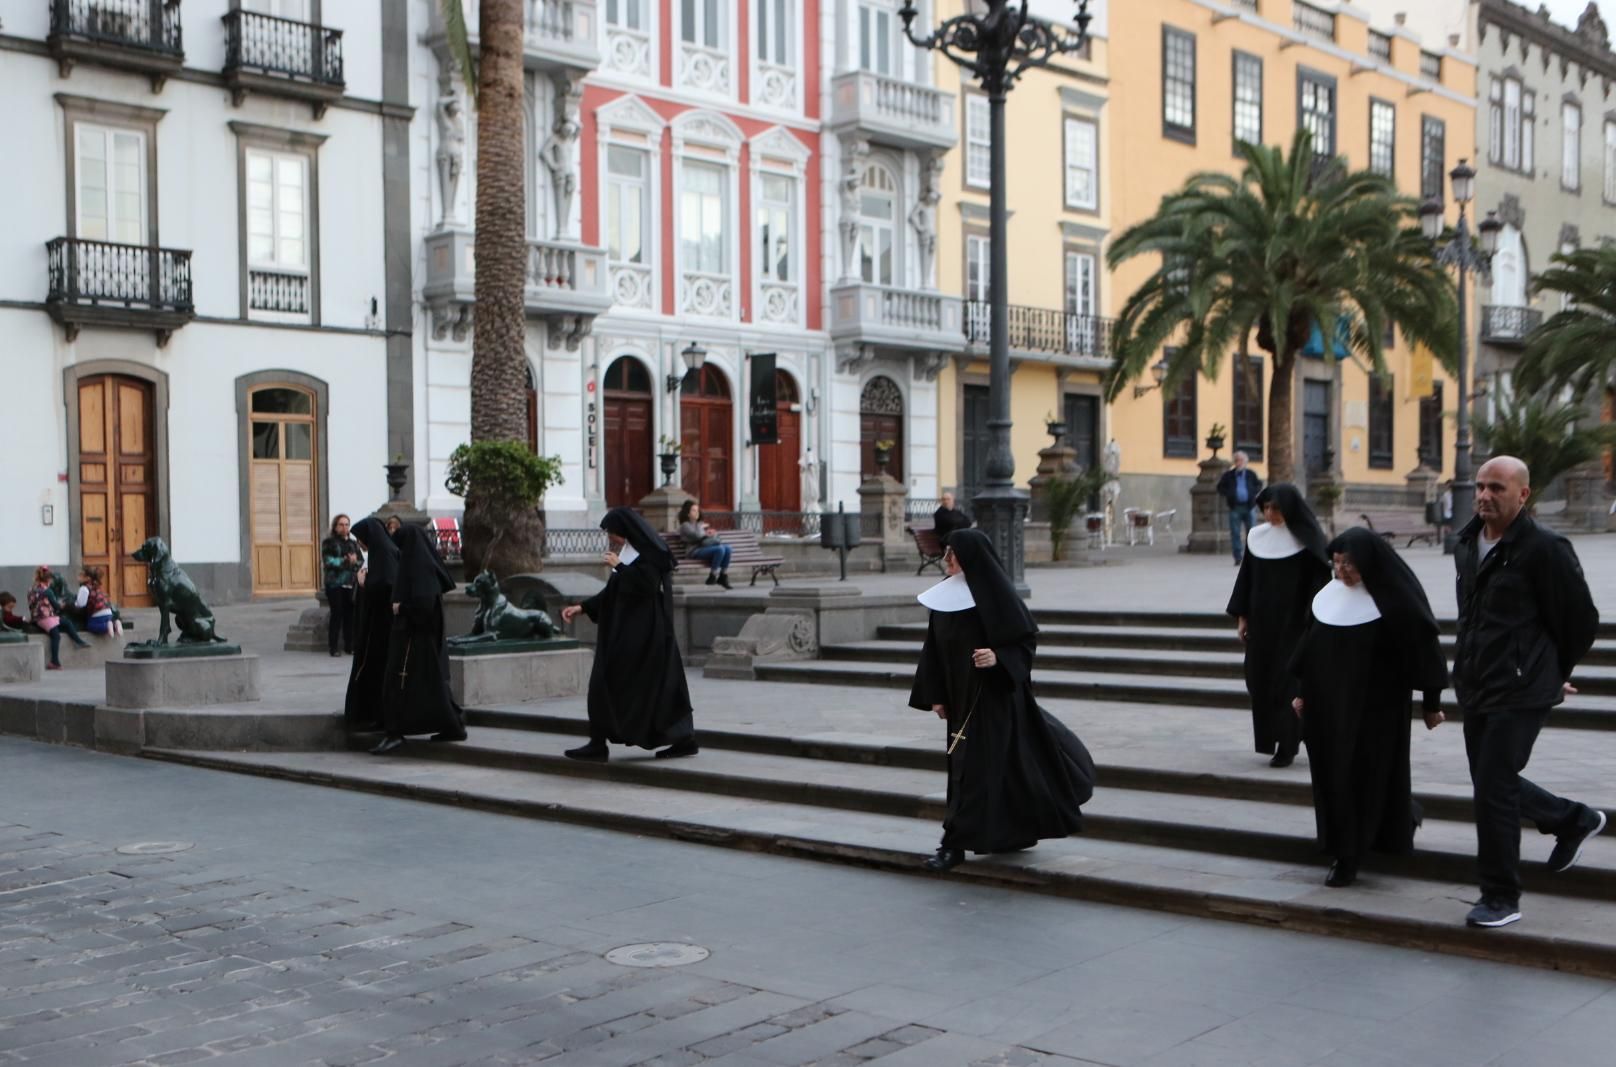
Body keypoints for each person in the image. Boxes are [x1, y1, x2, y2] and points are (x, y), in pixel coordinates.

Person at [1452, 456, 1604, 929]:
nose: (1484, 495)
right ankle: (1570, 819)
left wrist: (1553, 669)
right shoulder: (1466, 542)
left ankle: (1500, 896)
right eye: (1480, 486)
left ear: (1523, 495)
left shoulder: (1545, 549)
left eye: (1496, 487)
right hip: (1477, 682)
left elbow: (1581, 620)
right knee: (1490, 783)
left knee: (1493, 787)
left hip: (1521, 689)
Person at [908, 529, 1095, 871]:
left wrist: (998, 658)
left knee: (981, 772)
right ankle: (1005, 833)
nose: (947, 560)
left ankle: (953, 844)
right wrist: (935, 694)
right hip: (959, 702)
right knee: (970, 772)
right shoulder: (943, 598)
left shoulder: (997, 595)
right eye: (947, 554)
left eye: (954, 554)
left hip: (995, 702)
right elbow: (932, 649)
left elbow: (1024, 646)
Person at [1289, 528, 1448, 888]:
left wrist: (1431, 703)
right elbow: (1310, 649)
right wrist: (1302, 692)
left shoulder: (1396, 599)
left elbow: (1424, 651)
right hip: (1327, 704)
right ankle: (1358, 834)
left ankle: (1349, 856)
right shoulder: (1328, 597)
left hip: (1376, 707)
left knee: (1363, 774)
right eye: (1337, 562)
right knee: (1332, 775)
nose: (1342, 571)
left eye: (1350, 564)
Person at [560, 507, 696, 761]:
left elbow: (645, 585)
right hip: (625, 630)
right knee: (611, 683)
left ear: (625, 531)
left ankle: (682, 738)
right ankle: (598, 741)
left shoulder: (649, 552)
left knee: (642, 685)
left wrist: (620, 566)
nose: (611, 538)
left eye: (613, 533)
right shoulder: (628, 552)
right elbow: (614, 590)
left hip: (643, 634)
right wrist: (582, 607)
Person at [1226, 484, 1331, 768]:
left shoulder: (1307, 542)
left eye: (1276, 509)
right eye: (1266, 508)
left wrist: (1313, 623)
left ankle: (1287, 745)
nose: (1270, 514)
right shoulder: (1257, 538)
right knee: (1259, 681)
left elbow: (1320, 585)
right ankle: (1273, 737)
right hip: (1262, 625)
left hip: (1295, 625)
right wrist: (1242, 617)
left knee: (1288, 685)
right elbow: (1246, 580)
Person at [370, 523, 465, 754]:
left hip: (413, 641)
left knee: (395, 686)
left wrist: (400, 608)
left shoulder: (419, 567)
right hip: (418, 640)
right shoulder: (419, 563)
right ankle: (452, 725)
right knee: (433, 688)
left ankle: (395, 733)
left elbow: (423, 606)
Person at [345, 516, 400, 733]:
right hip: (375, 625)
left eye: (360, 538)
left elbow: (385, 587)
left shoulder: (385, 554)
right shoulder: (379, 553)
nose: (359, 543)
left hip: (381, 628)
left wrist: (363, 583)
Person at [28, 566, 89, 670]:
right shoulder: (47, 591)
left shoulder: (32, 588)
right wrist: (63, 605)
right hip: (45, 617)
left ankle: (78, 641)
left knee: (66, 623)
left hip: (38, 616)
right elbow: (56, 606)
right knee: (56, 635)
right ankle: (54, 661)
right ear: (48, 579)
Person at [322, 514, 363, 658]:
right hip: (335, 584)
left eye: (347, 524)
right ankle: (333, 647)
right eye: (341, 524)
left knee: (350, 616)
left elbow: (360, 561)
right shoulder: (329, 542)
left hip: (350, 583)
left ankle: (349, 646)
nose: (344, 527)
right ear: (335, 526)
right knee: (337, 614)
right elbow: (328, 561)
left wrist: (354, 562)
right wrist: (346, 561)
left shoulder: (353, 543)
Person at [1216, 452, 1263, 565]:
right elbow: (1220, 487)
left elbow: (1258, 484)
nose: (1239, 462)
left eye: (1241, 460)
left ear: (1246, 462)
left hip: (1249, 507)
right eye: (1237, 460)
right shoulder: (1228, 475)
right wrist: (1229, 494)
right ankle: (1238, 556)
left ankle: (1251, 556)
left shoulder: (1251, 474)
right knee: (1235, 533)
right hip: (1235, 507)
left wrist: (1253, 493)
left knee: (1251, 533)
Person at [677, 499, 732, 589]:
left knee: (727, 548)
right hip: (693, 551)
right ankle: (712, 576)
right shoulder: (685, 525)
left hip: (703, 548)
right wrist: (701, 528)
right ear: (687, 513)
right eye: (694, 510)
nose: (697, 513)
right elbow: (697, 536)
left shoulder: (698, 524)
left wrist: (710, 533)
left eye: (697, 510)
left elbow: (703, 538)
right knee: (720, 549)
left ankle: (723, 575)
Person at [73, 566, 121, 636]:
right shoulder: (97, 586)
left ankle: (109, 626)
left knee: (90, 626)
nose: (78, 577)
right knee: (107, 622)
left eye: (80, 575)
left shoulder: (84, 588)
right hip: (108, 613)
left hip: (97, 614)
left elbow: (81, 604)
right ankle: (115, 623)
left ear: (87, 578)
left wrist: (74, 604)